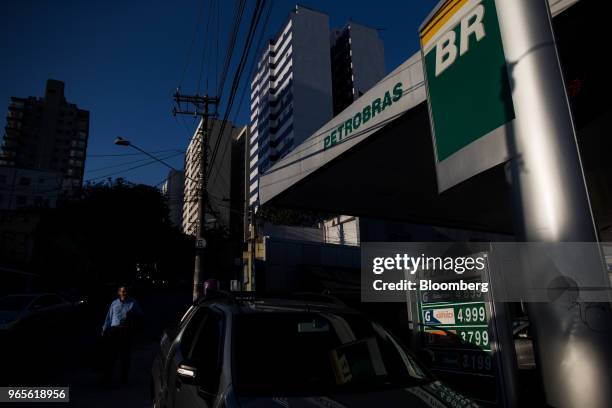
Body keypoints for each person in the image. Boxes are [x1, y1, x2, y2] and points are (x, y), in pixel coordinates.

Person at [101, 286, 143, 385]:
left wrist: (133, 316)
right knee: (111, 356)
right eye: (122, 291)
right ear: (118, 292)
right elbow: (109, 317)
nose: (124, 293)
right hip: (114, 331)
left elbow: (141, 315)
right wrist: (104, 329)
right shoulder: (114, 303)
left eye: (126, 291)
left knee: (125, 357)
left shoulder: (133, 302)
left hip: (126, 332)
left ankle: (123, 380)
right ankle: (108, 380)